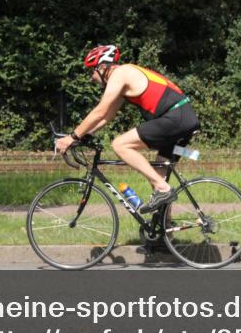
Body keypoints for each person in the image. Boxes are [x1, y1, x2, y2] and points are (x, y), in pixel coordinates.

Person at [53, 44, 200, 213]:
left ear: (101, 67)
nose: (91, 77)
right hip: (181, 116)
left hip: (175, 117)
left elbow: (99, 111)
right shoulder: (123, 79)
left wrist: (72, 136)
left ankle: (163, 189)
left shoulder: (121, 73)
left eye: (91, 71)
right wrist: (84, 135)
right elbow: (106, 116)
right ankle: (163, 233)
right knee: (159, 177)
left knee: (120, 144)